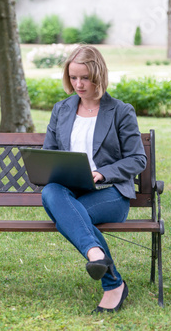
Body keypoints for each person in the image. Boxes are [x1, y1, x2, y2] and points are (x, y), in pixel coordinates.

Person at [41, 45, 147, 313]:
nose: (78, 84)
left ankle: (108, 276)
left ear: (98, 75)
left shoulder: (121, 111)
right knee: (51, 192)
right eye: (73, 77)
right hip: (70, 191)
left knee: (70, 216)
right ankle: (102, 265)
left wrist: (102, 172)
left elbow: (137, 159)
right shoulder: (62, 110)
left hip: (110, 193)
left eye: (84, 78)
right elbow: (49, 153)